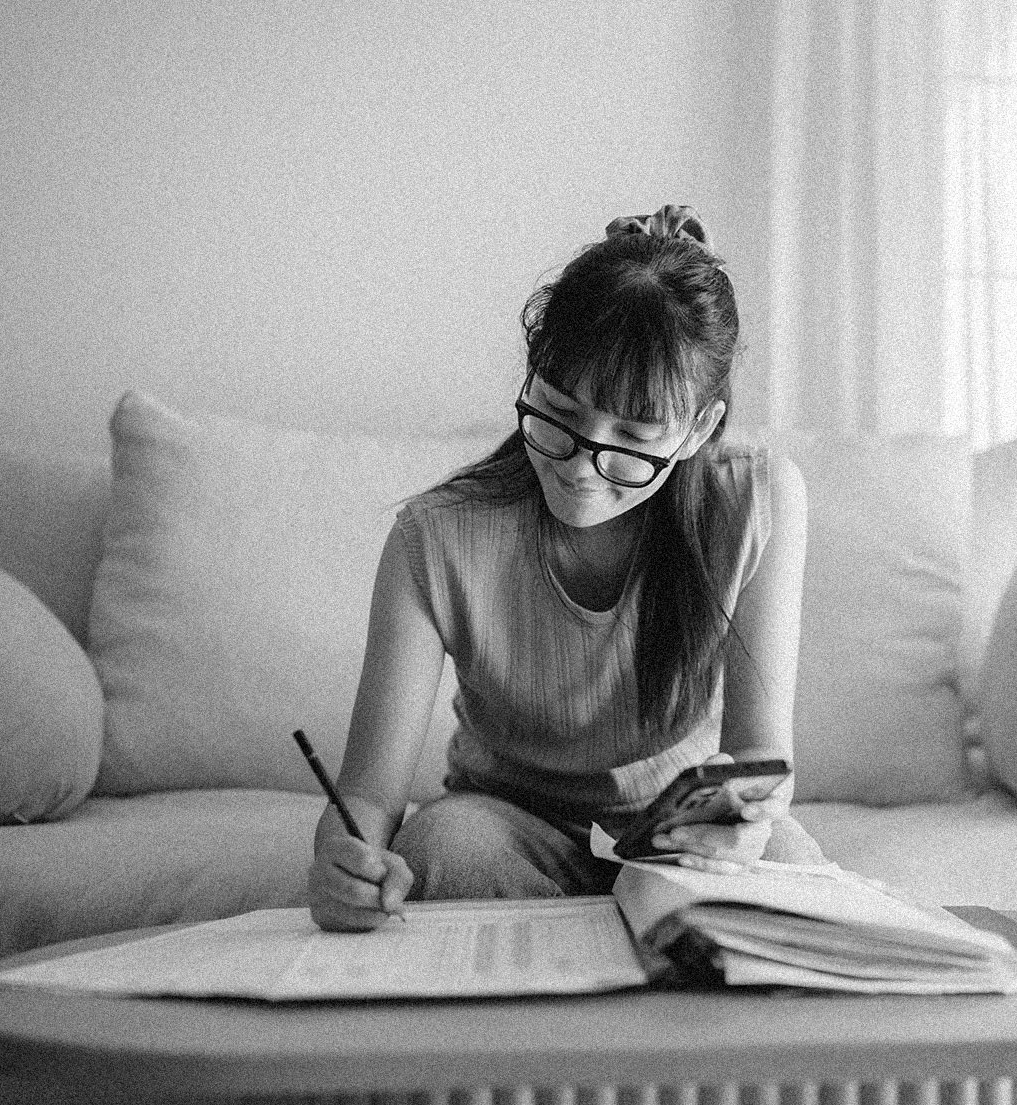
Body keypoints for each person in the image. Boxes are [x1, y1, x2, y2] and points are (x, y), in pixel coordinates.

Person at [307, 205, 826, 932]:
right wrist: (345, 854)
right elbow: (367, 792)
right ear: (531, 374)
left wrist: (744, 824)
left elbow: (759, 755)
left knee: (803, 893)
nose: (582, 469)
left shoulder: (757, 500)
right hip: (505, 823)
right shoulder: (436, 536)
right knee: (446, 848)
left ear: (699, 430)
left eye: (633, 438)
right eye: (556, 414)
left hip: (682, 833)